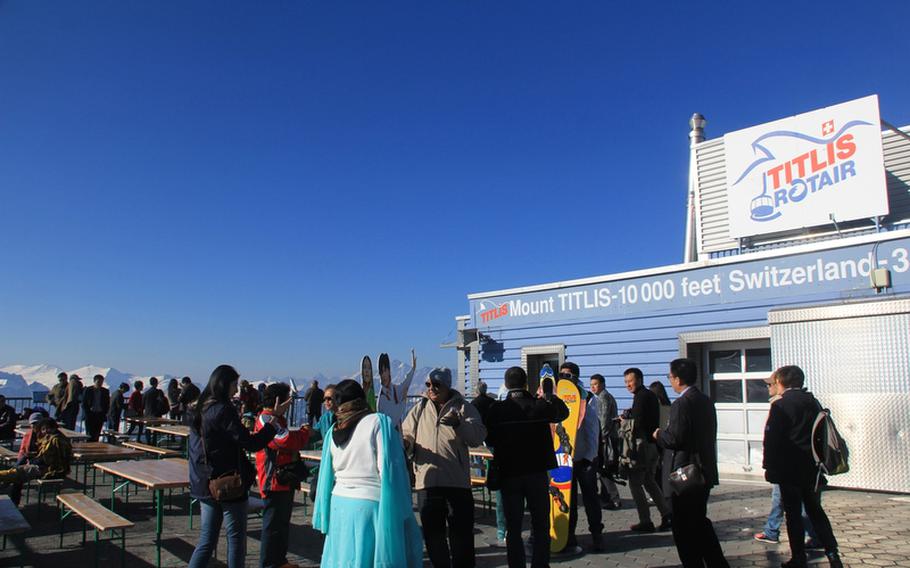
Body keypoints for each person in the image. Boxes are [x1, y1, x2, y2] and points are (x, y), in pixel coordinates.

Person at [313, 379, 423, 567]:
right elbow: (389, 468)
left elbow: (327, 472)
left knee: (344, 559)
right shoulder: (378, 422)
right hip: (370, 504)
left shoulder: (333, 430)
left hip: (339, 503)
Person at [187, 365, 283, 568]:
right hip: (228, 482)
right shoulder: (222, 410)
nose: (237, 389)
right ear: (225, 385)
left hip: (204, 483)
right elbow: (249, 442)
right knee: (236, 538)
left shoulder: (201, 408)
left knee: (206, 540)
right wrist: (273, 423)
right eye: (234, 384)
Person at [484, 366, 570, 568]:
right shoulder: (538, 405)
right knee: (540, 523)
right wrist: (550, 396)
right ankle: (540, 564)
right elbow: (563, 413)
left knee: (513, 527)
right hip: (537, 472)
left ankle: (516, 565)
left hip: (509, 473)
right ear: (525, 384)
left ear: (506, 385)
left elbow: (489, 437)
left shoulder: (497, 409)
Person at [402, 367, 486, 568]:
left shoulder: (463, 408)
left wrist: (459, 424)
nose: (431, 388)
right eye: (428, 384)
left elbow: (477, 436)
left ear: (447, 386)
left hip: (456, 482)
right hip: (427, 482)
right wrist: (406, 443)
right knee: (433, 537)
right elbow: (407, 433)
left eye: (436, 384)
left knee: (462, 536)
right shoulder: (420, 408)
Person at [763, 365, 842, 568]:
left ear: (781, 382)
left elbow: (772, 439)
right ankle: (833, 553)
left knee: (794, 515)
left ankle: (798, 557)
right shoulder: (813, 402)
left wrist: (769, 466)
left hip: (788, 469)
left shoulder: (781, 405)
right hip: (812, 469)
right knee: (816, 511)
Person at [654, 358, 728, 568]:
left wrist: (659, 434)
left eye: (670, 376)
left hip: (683, 475)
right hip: (703, 469)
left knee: (684, 529)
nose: (670, 381)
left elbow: (675, 438)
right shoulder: (705, 400)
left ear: (678, 378)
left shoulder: (681, 403)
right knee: (700, 523)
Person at [255, 382, 311, 568]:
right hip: (273, 480)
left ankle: (279, 560)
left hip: (284, 479)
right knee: (272, 526)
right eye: (289, 399)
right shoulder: (266, 419)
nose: (290, 404)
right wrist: (304, 434)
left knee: (281, 524)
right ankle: (269, 563)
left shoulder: (276, 419)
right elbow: (284, 440)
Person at [557, 362, 604, 552]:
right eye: (561, 375)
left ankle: (596, 535)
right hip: (565, 458)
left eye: (568, 375)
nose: (564, 379)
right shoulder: (559, 397)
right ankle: (568, 536)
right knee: (569, 500)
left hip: (584, 458)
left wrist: (590, 457)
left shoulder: (587, 398)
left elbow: (593, 431)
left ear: (576, 377)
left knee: (590, 497)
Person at [622, 367, 671, 533]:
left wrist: (625, 419)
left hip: (642, 446)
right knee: (650, 482)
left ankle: (645, 520)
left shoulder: (641, 397)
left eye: (631, 381)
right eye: (626, 382)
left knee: (635, 484)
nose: (628, 385)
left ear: (640, 380)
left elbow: (638, 422)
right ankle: (667, 514)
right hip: (652, 446)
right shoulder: (649, 395)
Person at [0, 418, 73, 505]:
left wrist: (32, 462)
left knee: (15, 474)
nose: (45, 431)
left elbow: (46, 459)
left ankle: (12, 501)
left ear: (53, 428)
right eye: (43, 429)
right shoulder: (53, 437)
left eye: (47, 428)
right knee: (14, 477)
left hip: (50, 469)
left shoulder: (56, 440)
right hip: (46, 467)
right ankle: (12, 502)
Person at [590, 374, 621, 510]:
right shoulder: (604, 397)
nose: (593, 387)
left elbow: (604, 419)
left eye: (595, 384)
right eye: (591, 385)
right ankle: (605, 498)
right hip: (608, 437)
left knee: (603, 468)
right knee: (603, 468)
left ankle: (614, 498)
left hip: (606, 438)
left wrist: (600, 436)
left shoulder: (603, 397)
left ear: (602, 384)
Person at [377, 350, 418, 429]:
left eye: (385, 370)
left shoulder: (394, 389)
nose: (383, 375)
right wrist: (403, 400)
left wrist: (413, 369)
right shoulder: (382, 397)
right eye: (381, 372)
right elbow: (394, 418)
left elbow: (405, 384)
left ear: (389, 371)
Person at [81, 374, 110, 442]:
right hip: (90, 415)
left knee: (97, 434)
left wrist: (104, 412)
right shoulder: (88, 390)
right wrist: (87, 413)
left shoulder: (105, 391)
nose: (100, 384)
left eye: (101, 382)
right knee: (89, 434)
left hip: (100, 415)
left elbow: (107, 403)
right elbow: (84, 403)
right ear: (94, 381)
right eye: (98, 382)